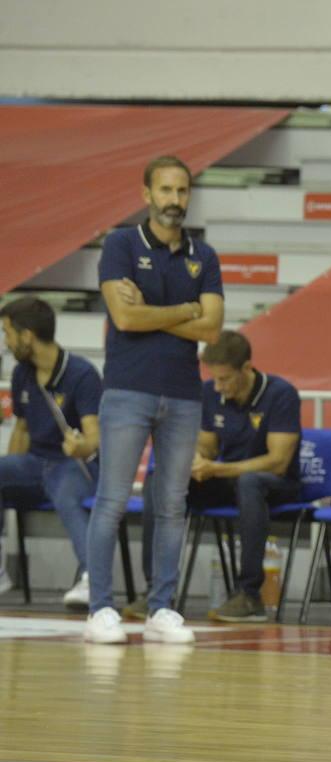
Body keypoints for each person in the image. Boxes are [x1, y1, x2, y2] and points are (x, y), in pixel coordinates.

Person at [85, 154, 224, 645]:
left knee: (171, 505)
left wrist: (154, 310)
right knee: (112, 501)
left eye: (182, 191)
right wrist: (186, 309)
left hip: (185, 394)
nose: (174, 201)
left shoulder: (203, 256)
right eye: (165, 191)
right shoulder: (121, 244)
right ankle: (100, 608)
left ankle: (162, 608)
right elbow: (124, 320)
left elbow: (212, 327)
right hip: (127, 390)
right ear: (146, 194)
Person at [121, 332, 301, 622]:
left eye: (225, 379)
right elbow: (208, 444)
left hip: (276, 484)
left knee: (250, 482)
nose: (219, 386)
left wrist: (217, 468)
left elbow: (277, 462)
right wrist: (195, 458)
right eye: (214, 379)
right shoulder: (210, 393)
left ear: (247, 368)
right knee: (160, 479)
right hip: (230, 478)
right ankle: (158, 590)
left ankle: (249, 595)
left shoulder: (280, 394)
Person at [0, 297, 101, 608]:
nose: (5, 340)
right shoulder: (21, 374)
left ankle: (91, 579)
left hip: (73, 463)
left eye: (7, 332)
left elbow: (94, 439)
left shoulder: (81, 374)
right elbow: (21, 430)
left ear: (27, 335)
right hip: (33, 463)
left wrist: (78, 446)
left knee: (68, 497)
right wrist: (9, 469)